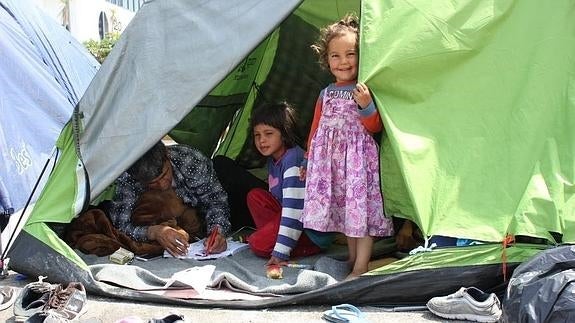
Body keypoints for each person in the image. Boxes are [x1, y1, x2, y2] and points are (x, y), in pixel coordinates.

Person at [300, 13, 394, 279]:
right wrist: (308, 160)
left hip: (357, 164)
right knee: (346, 215)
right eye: (335, 56)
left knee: (359, 214)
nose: (343, 62)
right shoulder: (326, 92)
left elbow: (374, 127)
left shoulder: (363, 90)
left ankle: (361, 267)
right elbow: (316, 128)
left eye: (350, 54)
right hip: (330, 165)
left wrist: (366, 105)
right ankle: (353, 260)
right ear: (326, 59)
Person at [245, 102, 333, 265]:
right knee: (255, 196)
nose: (262, 140)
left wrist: (280, 253)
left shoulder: (293, 159)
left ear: (284, 134)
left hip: (309, 231)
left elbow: (295, 211)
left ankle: (287, 245)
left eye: (268, 133)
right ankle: (272, 238)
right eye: (257, 135)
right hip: (288, 215)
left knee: (257, 244)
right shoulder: (274, 159)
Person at [108, 141, 231, 257]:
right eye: (153, 183)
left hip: (199, 222)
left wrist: (217, 232)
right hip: (159, 221)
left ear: (167, 155)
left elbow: (216, 201)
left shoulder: (190, 160)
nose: (162, 185)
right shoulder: (127, 178)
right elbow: (121, 225)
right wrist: (154, 232)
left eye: (164, 175)